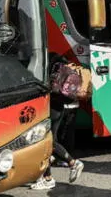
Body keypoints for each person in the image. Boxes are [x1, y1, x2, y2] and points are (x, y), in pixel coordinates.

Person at [30, 55, 84, 190]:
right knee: (50, 141)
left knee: (46, 142)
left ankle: (69, 165)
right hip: (59, 108)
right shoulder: (63, 64)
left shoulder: (45, 64)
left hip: (48, 107)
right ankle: (49, 176)